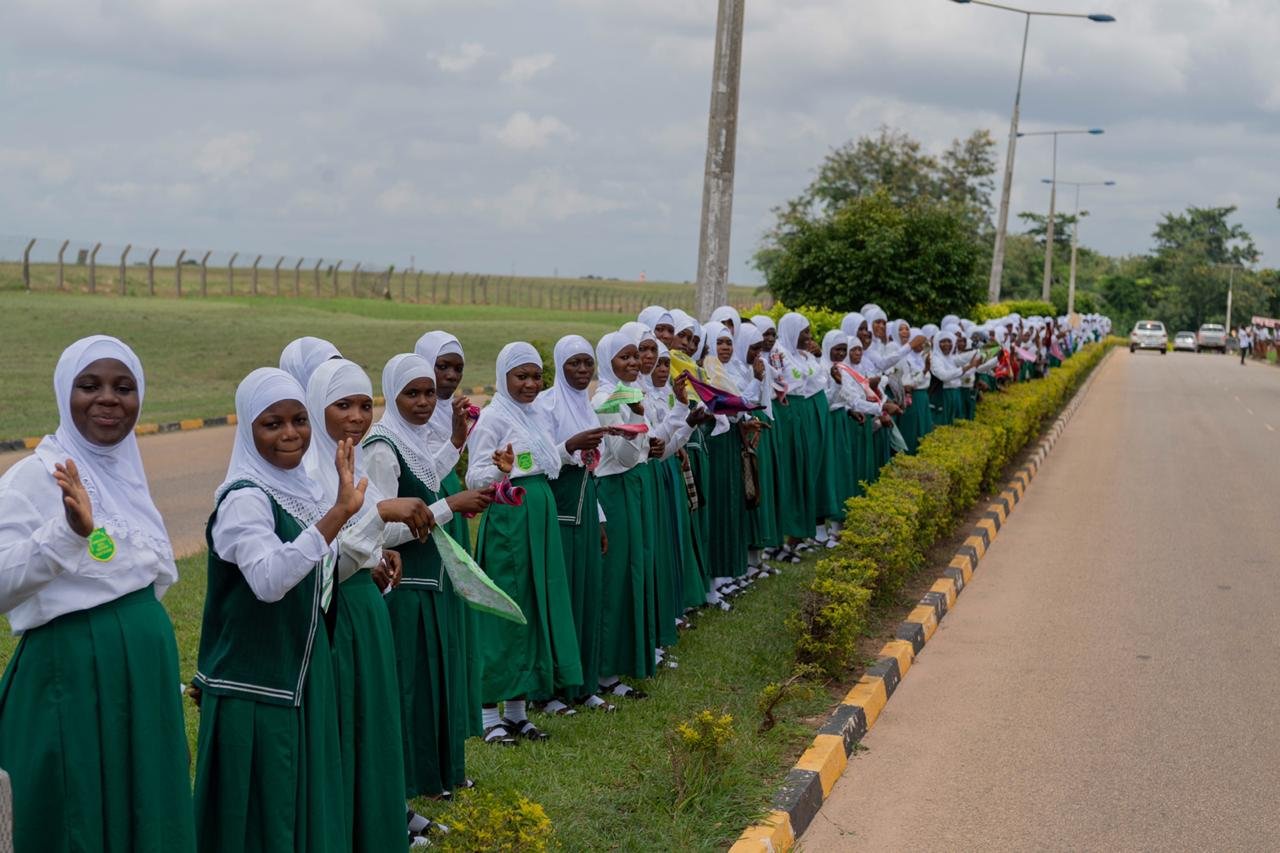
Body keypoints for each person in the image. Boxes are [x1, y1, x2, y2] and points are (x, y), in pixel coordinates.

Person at [0, 335, 196, 853]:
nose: (108, 399)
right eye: (89, 385)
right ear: (64, 391)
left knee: (146, 807)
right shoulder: (33, 478)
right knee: (78, 811)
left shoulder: (126, 473)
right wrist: (64, 536)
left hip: (143, 675)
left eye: (123, 388)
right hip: (73, 675)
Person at [193, 367, 364, 853]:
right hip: (257, 686)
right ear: (248, 429)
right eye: (272, 424)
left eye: (299, 420)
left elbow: (317, 568)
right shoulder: (245, 499)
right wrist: (337, 515)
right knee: (262, 816)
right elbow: (269, 581)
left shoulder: (300, 489)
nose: (290, 434)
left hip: (299, 673)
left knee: (301, 801)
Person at [305, 358, 435, 849]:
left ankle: (379, 826)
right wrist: (378, 521)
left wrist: (381, 549)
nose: (358, 417)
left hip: (366, 607)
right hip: (338, 613)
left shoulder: (352, 460)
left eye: (365, 405)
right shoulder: (308, 470)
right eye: (343, 405)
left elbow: (374, 529)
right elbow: (320, 565)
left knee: (373, 722)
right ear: (317, 408)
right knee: (345, 723)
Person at [362, 354, 493, 804]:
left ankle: (437, 776)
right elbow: (381, 529)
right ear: (391, 394)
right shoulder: (381, 447)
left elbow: (425, 478)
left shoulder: (411, 438)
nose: (422, 402)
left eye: (428, 394)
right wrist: (449, 507)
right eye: (411, 394)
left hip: (429, 584)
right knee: (410, 687)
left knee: (435, 682)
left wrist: (456, 441)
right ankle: (410, 783)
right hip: (405, 589)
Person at [468, 343, 584, 741]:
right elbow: (475, 478)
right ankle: (488, 715)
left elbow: (545, 460)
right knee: (505, 610)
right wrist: (501, 470)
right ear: (504, 377)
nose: (531, 384)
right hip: (510, 520)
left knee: (533, 606)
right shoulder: (493, 417)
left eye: (537, 376)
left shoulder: (536, 414)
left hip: (539, 515)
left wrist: (570, 448)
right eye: (522, 376)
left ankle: (517, 712)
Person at [534, 336, 611, 713]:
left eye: (587, 363)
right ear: (559, 364)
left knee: (587, 596)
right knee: (558, 600)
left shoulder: (587, 406)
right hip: (557, 513)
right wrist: (571, 445)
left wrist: (600, 519)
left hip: (585, 510)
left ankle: (583, 683)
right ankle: (549, 691)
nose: (582, 371)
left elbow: (591, 470)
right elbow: (539, 460)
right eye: (573, 363)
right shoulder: (545, 405)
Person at [591, 332, 660, 696]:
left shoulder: (630, 393)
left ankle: (628, 658)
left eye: (635, 356)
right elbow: (624, 456)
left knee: (635, 569)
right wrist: (636, 417)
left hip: (629, 487)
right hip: (613, 489)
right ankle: (605, 670)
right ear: (608, 362)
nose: (634, 362)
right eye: (625, 357)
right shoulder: (606, 399)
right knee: (615, 577)